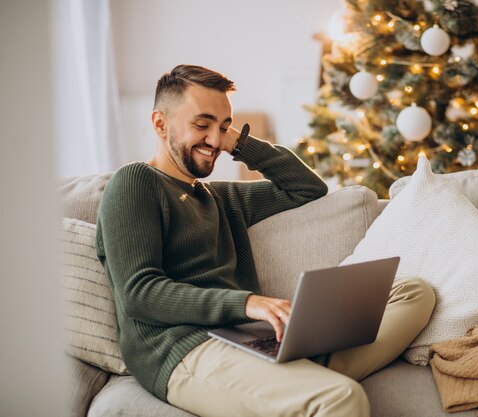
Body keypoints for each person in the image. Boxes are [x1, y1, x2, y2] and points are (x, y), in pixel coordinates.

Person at [96, 64, 436, 417]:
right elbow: (139, 293)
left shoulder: (223, 198)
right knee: (342, 398)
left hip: (251, 340)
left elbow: (307, 188)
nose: (214, 141)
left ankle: (296, 386)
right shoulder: (135, 182)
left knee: (415, 293)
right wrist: (248, 304)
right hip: (184, 349)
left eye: (223, 126)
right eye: (202, 124)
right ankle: (311, 389)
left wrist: (238, 142)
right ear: (160, 123)